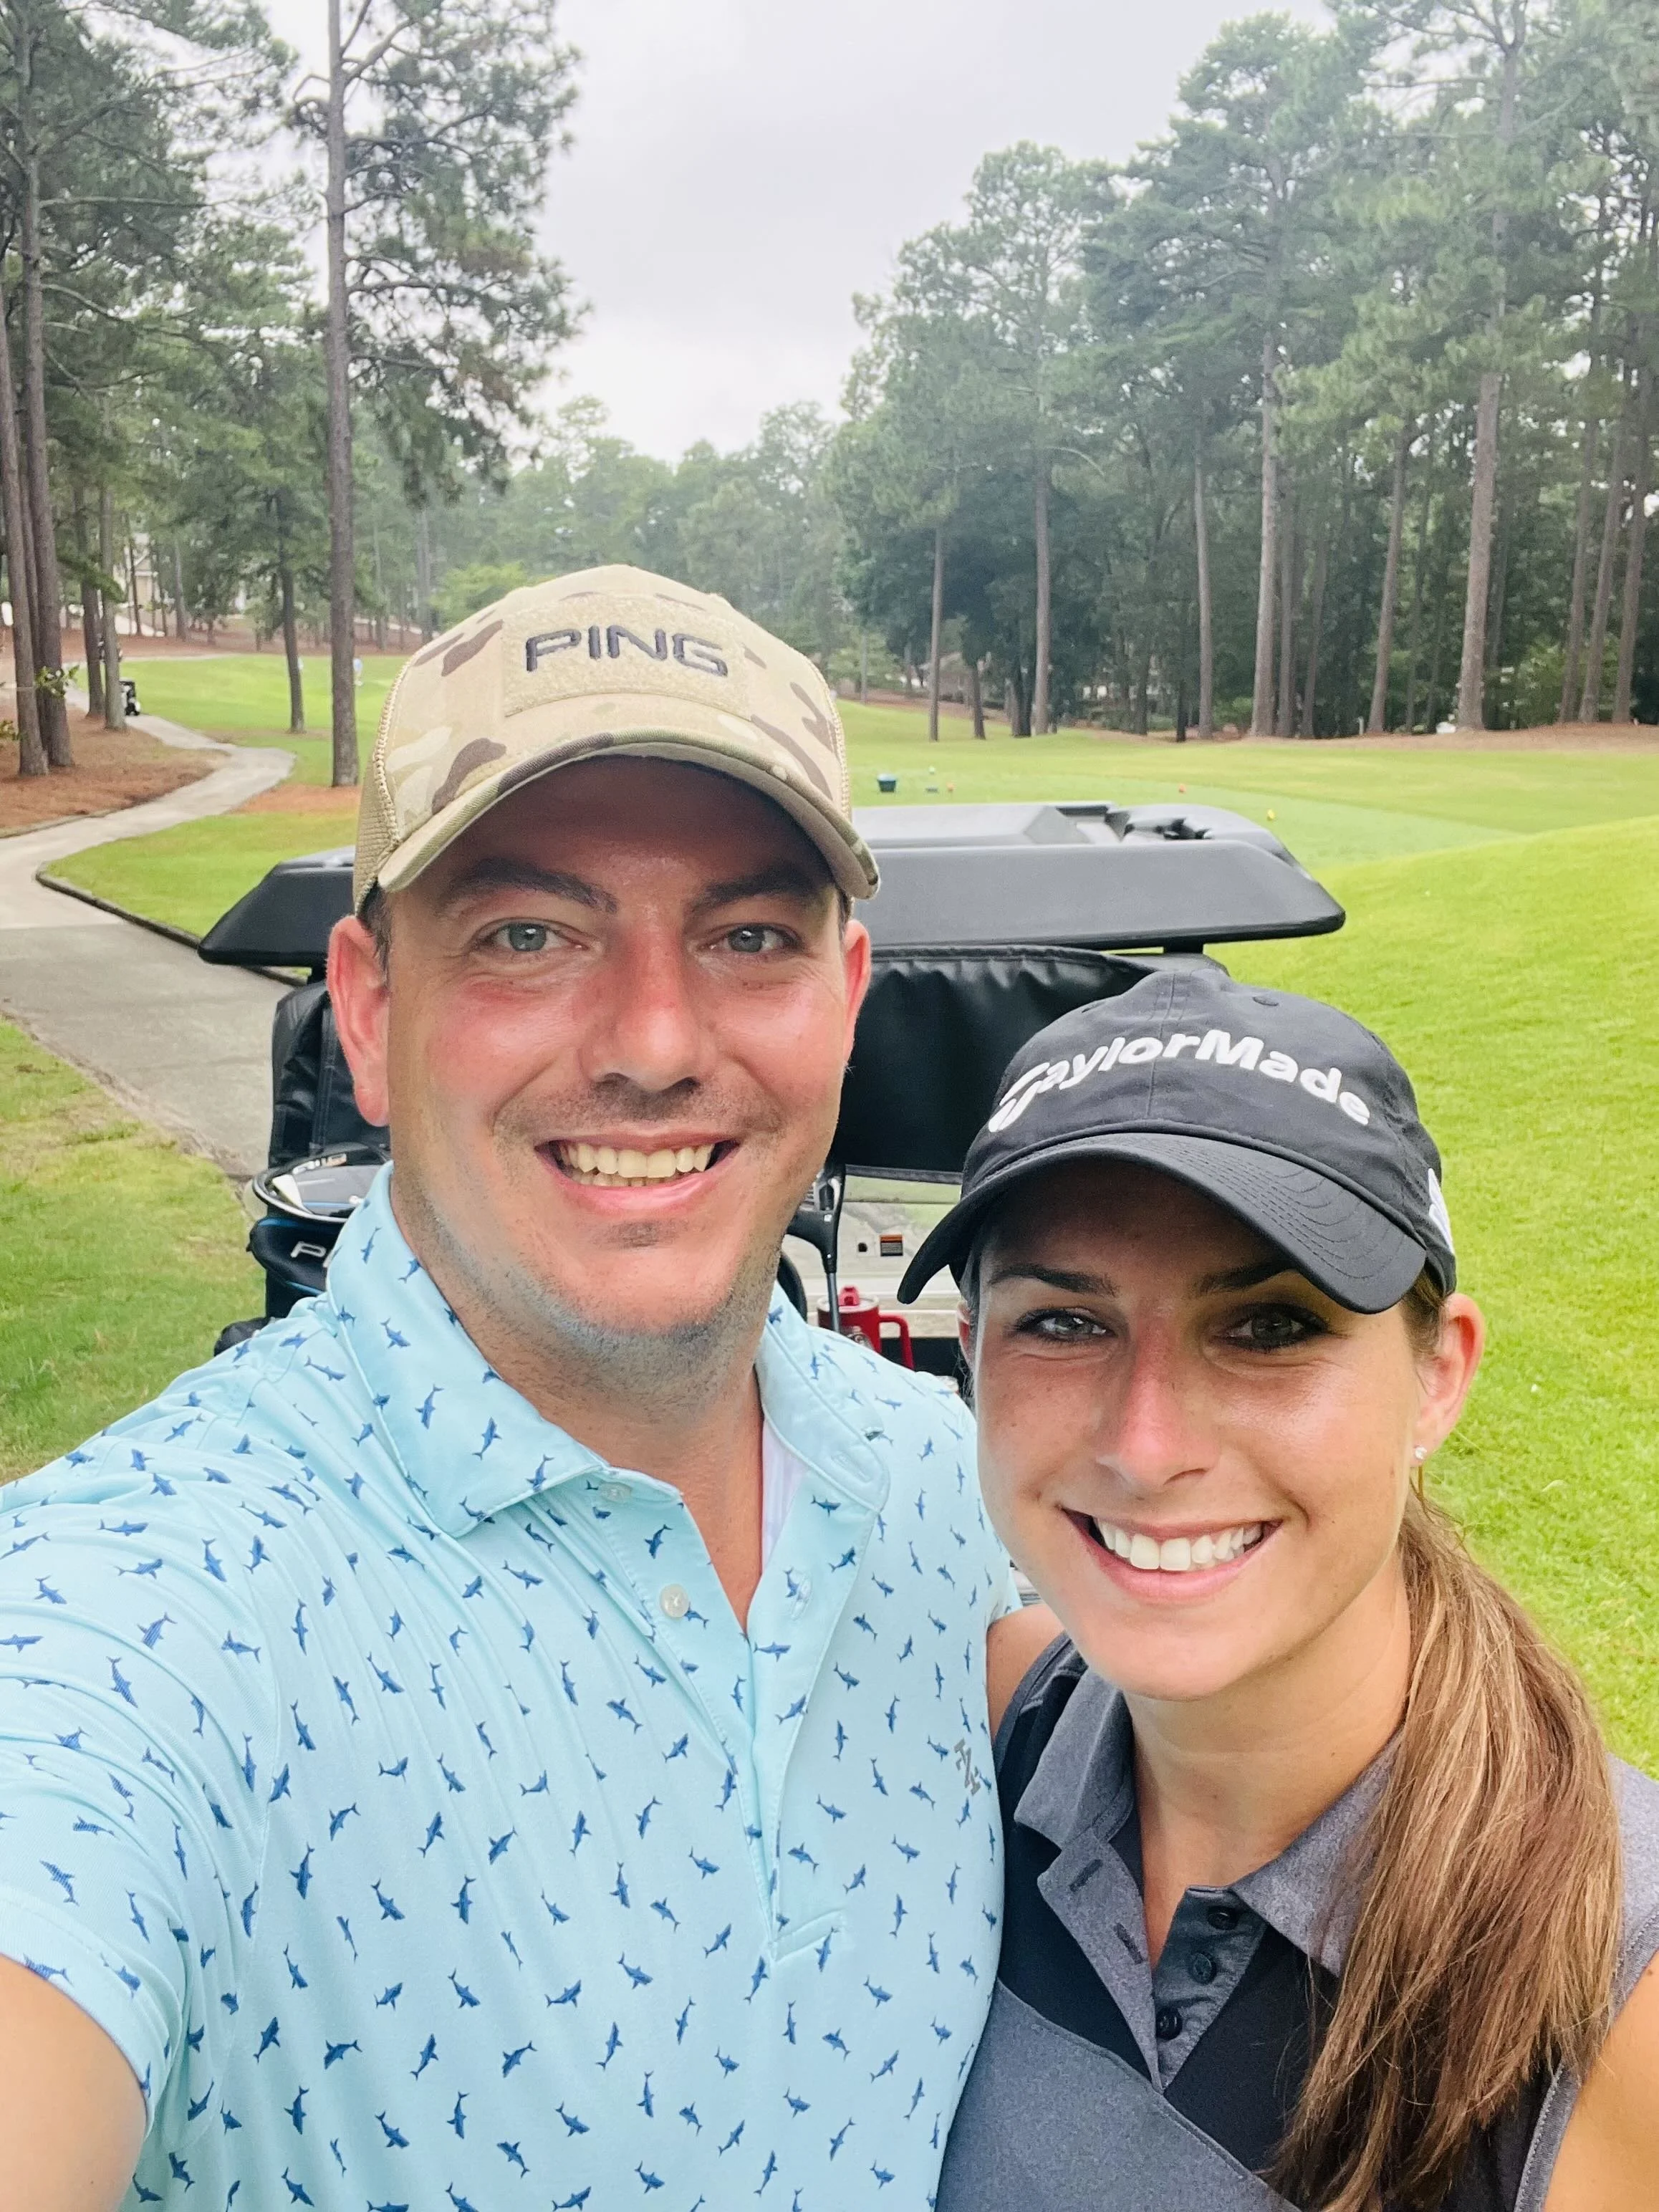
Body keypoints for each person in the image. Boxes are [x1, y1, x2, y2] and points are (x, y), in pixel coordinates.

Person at [0, 565, 1024, 2209]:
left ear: (845, 995)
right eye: (529, 933)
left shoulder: (953, 1482)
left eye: (750, 933)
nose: (653, 1037)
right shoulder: (125, 1609)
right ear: (369, 1002)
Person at [898, 968, 1659, 2212]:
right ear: (972, 1356)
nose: (1146, 1446)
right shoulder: (990, 1733)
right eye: (1064, 1323)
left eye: (1267, 1328)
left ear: (1437, 1376)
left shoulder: (1615, 1996)